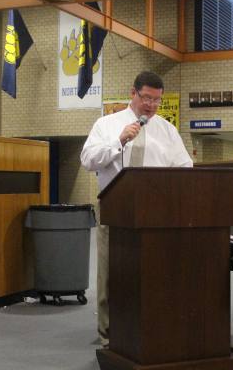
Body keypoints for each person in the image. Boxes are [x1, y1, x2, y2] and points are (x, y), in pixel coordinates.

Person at [80, 71, 193, 348]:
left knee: (153, 272)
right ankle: (109, 332)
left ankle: (151, 326)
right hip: (115, 208)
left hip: (157, 213)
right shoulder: (107, 124)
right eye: (147, 98)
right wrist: (118, 141)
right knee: (111, 272)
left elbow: (185, 168)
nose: (152, 105)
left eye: (157, 100)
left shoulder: (167, 130)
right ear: (133, 93)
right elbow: (87, 160)